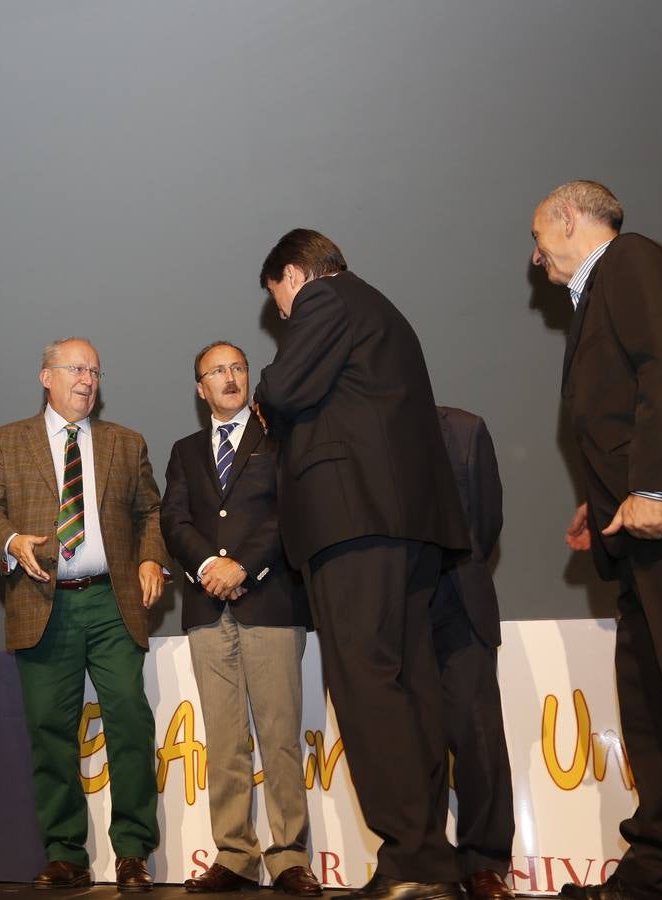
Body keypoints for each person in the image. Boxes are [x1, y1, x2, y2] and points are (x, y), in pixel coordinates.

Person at [254, 229, 470, 900]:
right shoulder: (384, 310)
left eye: (277, 300)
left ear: (294, 274)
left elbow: (282, 389)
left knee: (366, 684)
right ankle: (427, 854)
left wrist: (269, 387)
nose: (283, 314)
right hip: (405, 529)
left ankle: (411, 857)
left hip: (352, 523)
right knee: (409, 685)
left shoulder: (325, 299)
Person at [528, 180, 662, 900]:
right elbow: (620, 410)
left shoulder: (634, 262)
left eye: (536, 236)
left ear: (568, 218)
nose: (534, 255)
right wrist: (607, 497)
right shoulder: (602, 291)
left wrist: (656, 487)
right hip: (640, 535)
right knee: (654, 707)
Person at [0, 337, 168, 892]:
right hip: (41, 601)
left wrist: (151, 557)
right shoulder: (6, 442)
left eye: (96, 372)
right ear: (46, 377)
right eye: (77, 369)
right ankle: (65, 853)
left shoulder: (126, 443)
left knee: (129, 718)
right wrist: (10, 541)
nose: (88, 380)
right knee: (50, 731)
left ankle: (132, 851)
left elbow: (151, 511)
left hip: (111, 602)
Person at [161, 341, 318, 895]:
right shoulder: (183, 451)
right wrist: (208, 564)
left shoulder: (282, 438)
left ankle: (289, 856)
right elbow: (173, 518)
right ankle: (234, 854)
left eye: (237, 368)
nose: (229, 378)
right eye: (216, 372)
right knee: (225, 740)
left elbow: (291, 514)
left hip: (271, 601)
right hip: (207, 607)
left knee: (278, 736)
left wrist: (243, 566)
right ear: (200, 388)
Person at [431, 406, 514, 900]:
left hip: (461, 602)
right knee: (413, 745)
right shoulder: (369, 432)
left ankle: (484, 861)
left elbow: (487, 520)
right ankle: (427, 860)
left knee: (477, 735)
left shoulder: (465, 428)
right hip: (398, 610)